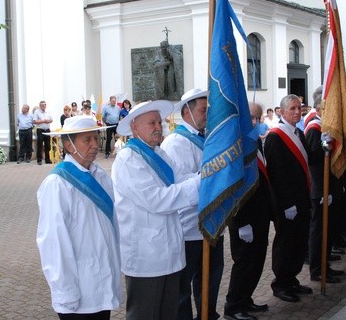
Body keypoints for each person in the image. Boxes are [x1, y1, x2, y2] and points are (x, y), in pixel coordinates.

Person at [112, 100, 201, 320]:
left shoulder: (159, 154)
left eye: (159, 122)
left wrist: (207, 176)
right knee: (145, 314)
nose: (158, 127)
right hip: (146, 256)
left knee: (168, 313)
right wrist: (201, 184)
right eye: (151, 123)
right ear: (135, 127)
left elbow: (182, 177)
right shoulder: (128, 159)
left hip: (169, 251)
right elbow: (156, 200)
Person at [36, 116, 121, 319]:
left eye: (95, 138)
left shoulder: (100, 175)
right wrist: (65, 291)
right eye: (87, 140)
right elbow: (53, 242)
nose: (94, 145)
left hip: (101, 282)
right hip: (79, 291)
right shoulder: (57, 184)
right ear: (69, 145)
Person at [161, 89, 224, 320]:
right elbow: (180, 183)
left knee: (211, 279)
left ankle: (207, 315)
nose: (207, 113)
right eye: (202, 109)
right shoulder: (175, 143)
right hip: (188, 228)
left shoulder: (206, 136)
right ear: (187, 111)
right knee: (183, 288)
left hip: (212, 222)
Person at [222, 103, 272, 320]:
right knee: (244, 264)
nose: (255, 122)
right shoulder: (236, 148)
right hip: (244, 220)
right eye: (251, 117)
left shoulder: (254, 143)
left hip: (260, 216)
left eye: (258, 118)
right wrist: (241, 223)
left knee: (257, 262)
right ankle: (233, 307)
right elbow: (233, 190)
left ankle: (246, 299)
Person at [264, 94, 313, 303]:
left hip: (302, 199)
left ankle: (292, 278)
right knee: (286, 242)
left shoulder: (299, 133)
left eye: (298, 108)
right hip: (287, 203)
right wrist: (286, 204)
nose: (296, 112)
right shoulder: (276, 136)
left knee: (299, 241)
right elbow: (277, 174)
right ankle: (281, 283)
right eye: (292, 109)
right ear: (282, 112)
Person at [304, 94, 346, 284]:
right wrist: (323, 191)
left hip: (331, 187)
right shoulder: (314, 130)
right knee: (319, 230)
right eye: (327, 109)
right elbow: (314, 165)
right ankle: (317, 270)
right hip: (321, 191)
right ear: (319, 110)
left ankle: (325, 265)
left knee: (329, 228)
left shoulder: (326, 129)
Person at [34, 100, 54, 165]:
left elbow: (51, 120)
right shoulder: (37, 112)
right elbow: (35, 121)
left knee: (47, 145)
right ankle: (39, 160)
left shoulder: (48, 112)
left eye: (44, 105)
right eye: (42, 105)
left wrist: (49, 121)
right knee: (40, 145)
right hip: (40, 130)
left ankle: (47, 159)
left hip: (47, 130)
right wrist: (43, 121)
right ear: (40, 106)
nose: (43, 106)